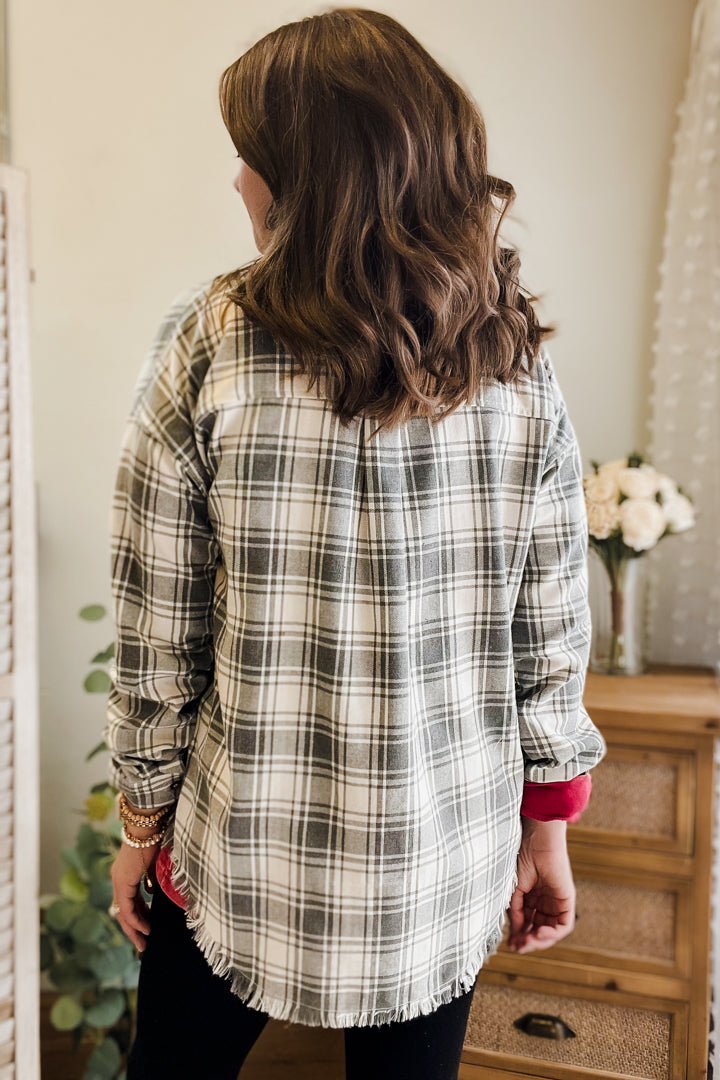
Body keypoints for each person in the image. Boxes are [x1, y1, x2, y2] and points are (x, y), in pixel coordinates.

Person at [103, 8, 607, 1079]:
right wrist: (548, 830)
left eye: (254, 153)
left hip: (239, 862)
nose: (237, 178)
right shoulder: (515, 360)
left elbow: (157, 627)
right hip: (441, 870)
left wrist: (140, 824)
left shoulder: (213, 343)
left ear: (313, 174)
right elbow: (552, 629)